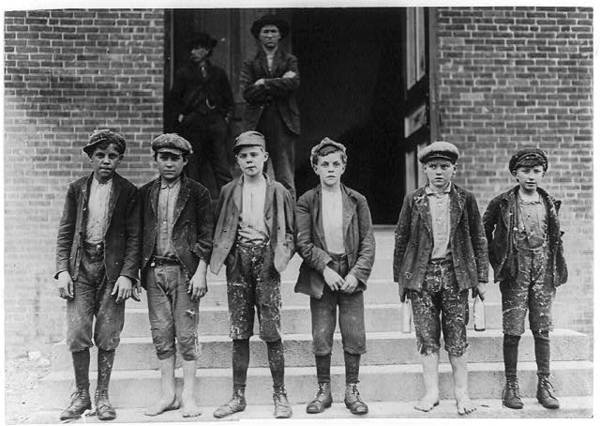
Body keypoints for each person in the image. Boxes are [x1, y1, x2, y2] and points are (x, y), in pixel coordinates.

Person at [393, 141, 488, 415]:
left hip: (456, 275)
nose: (438, 172)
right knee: (427, 336)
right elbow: (401, 239)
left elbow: (479, 239)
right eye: (433, 166)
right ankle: (431, 392)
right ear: (424, 169)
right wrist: (401, 280)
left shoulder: (465, 199)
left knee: (457, 335)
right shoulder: (413, 200)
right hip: (421, 277)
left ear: (454, 169)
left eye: (444, 166)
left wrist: (481, 278)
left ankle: (461, 393)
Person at [55, 129, 140, 421]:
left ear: (119, 160)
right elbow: (65, 232)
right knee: (77, 331)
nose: (106, 160)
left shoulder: (128, 192)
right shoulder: (76, 189)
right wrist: (62, 270)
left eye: (112, 156)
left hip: (112, 272)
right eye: (100, 155)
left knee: (107, 332)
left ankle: (103, 396)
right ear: (90, 158)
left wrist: (128, 274)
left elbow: (134, 237)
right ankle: (81, 395)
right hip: (80, 269)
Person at [210, 130, 295, 419]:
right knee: (239, 331)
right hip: (238, 262)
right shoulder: (228, 190)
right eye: (243, 156)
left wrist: (280, 256)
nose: (249, 160)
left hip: (267, 262)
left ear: (265, 157)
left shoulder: (279, 191)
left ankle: (280, 394)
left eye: (254, 155)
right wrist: (229, 254)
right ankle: (238, 396)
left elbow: (291, 233)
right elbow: (221, 225)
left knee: (271, 331)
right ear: (237, 161)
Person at [295, 138, 375, 415]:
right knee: (321, 332)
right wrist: (324, 268)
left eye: (335, 164)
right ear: (315, 168)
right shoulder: (307, 201)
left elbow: (368, 242)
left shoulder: (357, 200)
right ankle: (323, 390)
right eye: (324, 164)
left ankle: (352, 390)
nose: (330, 169)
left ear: (343, 167)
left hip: (350, 272)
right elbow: (303, 242)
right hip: (322, 275)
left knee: (354, 332)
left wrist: (357, 273)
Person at [483, 148, 567, 410]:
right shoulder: (502, 203)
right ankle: (511, 385)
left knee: (542, 328)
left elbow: (554, 237)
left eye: (536, 171)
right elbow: (483, 232)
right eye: (525, 171)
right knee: (513, 329)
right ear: (515, 173)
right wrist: (498, 260)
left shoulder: (549, 202)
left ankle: (544, 384)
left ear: (543, 173)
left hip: (543, 270)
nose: (531, 176)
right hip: (515, 271)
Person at [139, 133, 214, 418]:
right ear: (156, 159)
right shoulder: (145, 193)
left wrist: (201, 272)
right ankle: (168, 394)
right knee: (161, 334)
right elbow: (136, 235)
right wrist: (134, 275)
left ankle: (188, 396)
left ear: (184, 162)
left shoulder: (198, 193)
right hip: (154, 271)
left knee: (186, 334)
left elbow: (206, 236)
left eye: (175, 158)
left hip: (185, 272)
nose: (169, 163)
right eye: (164, 158)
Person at [240, 14, 300, 199]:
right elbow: (247, 92)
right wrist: (280, 82)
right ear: (259, 36)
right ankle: (255, 214)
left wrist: (264, 83)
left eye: (273, 31)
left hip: (283, 123)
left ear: (280, 35)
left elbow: (293, 84)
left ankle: (288, 216)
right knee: (255, 173)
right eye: (265, 32)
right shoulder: (250, 63)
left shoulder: (289, 60)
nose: (269, 35)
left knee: (285, 176)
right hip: (257, 123)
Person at [170, 31, 233, 199]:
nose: (193, 52)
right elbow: (175, 100)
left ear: (206, 50)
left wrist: (223, 119)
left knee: (221, 167)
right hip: (193, 126)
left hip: (215, 126)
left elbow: (228, 100)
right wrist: (182, 118)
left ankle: (228, 204)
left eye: (197, 48)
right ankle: (193, 205)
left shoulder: (218, 73)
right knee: (193, 167)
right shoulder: (183, 73)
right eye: (191, 49)